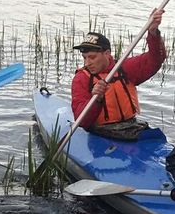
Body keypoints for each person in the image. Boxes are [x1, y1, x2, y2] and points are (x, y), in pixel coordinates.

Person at [70, 9, 166, 141]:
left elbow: (156, 59)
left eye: (92, 57)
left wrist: (153, 33)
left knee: (155, 136)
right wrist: (96, 98)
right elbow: (82, 121)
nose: (87, 63)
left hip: (130, 126)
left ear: (107, 54)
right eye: (84, 57)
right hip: (100, 131)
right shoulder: (81, 78)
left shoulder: (124, 68)